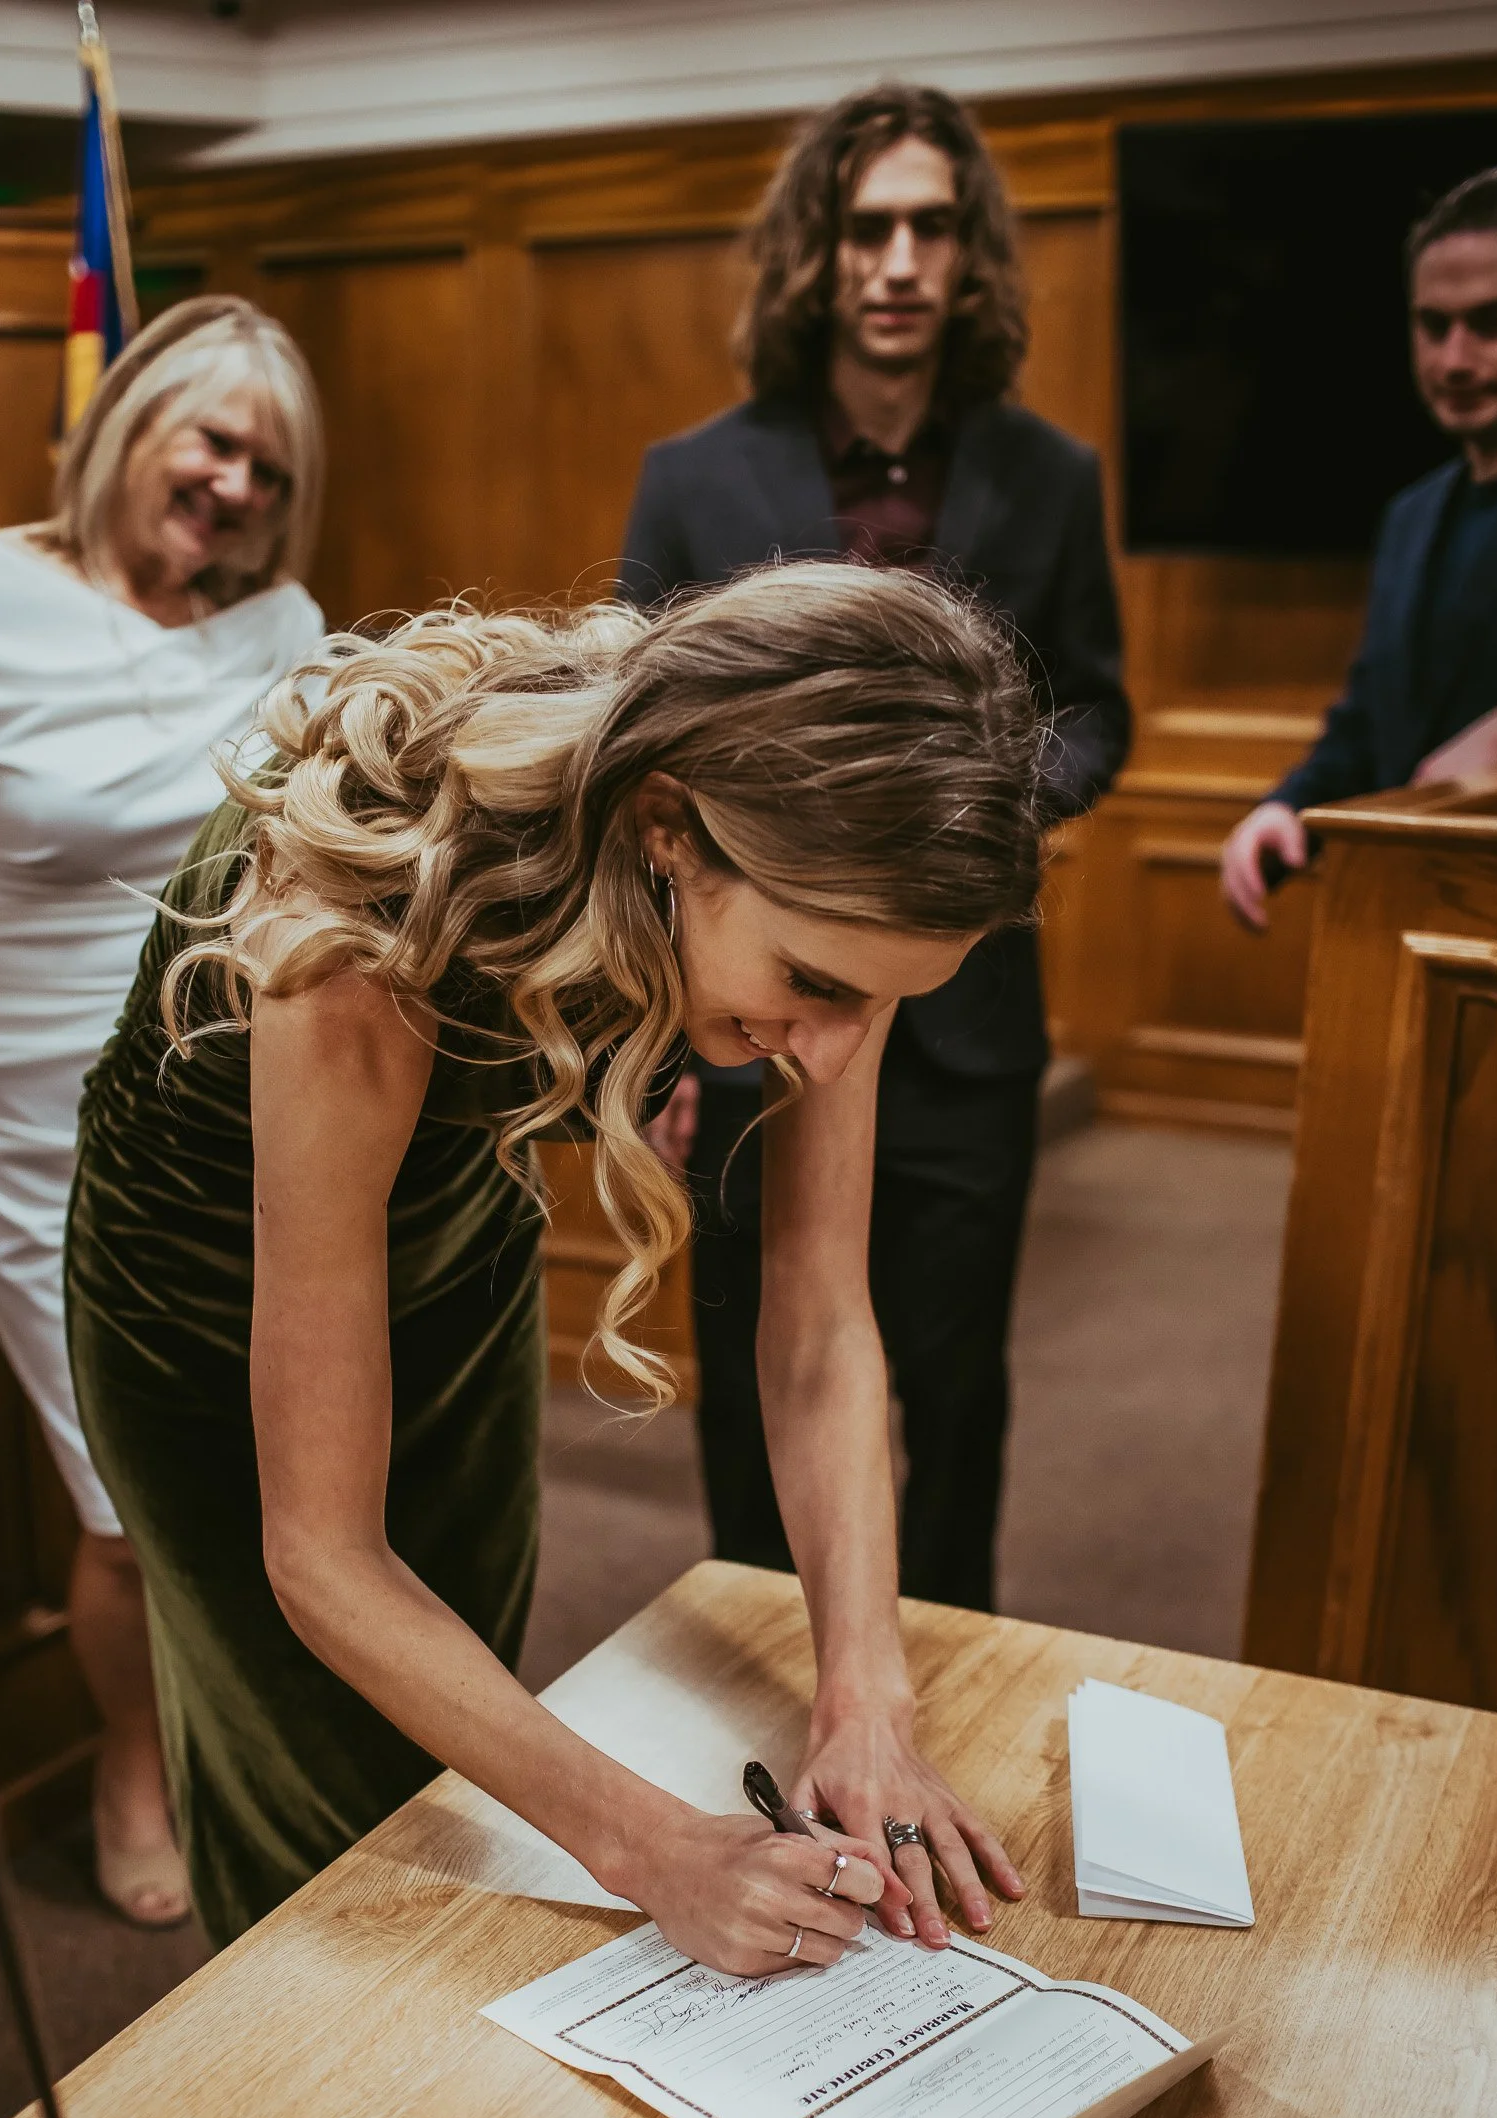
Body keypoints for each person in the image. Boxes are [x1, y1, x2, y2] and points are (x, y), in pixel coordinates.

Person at [65, 561, 1043, 1969]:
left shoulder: (830, 888)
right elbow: (321, 1556)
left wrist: (865, 1702)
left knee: (456, 1737)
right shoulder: (361, 924)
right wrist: (658, 1849)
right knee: (322, 1824)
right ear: (665, 830)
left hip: (459, 1239)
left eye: (879, 1003)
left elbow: (820, 1328)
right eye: (816, 987)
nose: (833, 1051)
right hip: (201, 1301)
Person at [620, 85, 1129, 1611]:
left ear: (971, 257)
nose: (898, 259)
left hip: (963, 1029)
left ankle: (938, 1656)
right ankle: (759, 1639)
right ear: (816, 255)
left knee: (951, 1384)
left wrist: (963, 822)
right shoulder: (694, 475)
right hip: (732, 1024)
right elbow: (636, 757)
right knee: (749, 1374)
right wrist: (651, 1058)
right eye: (866, 228)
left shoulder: (1050, 475)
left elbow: (1094, 707)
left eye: (931, 226)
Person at [0, 296, 324, 1926]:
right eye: (212, 439)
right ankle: (135, 1758)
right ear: (131, 424)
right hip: (32, 1108)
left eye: (268, 467)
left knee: (272, 1458)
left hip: (237, 1103)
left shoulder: (282, 631)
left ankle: (261, 1744)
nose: (234, 486)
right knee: (123, 1492)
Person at [1222, 165, 1497, 928]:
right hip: (1412, 925)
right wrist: (1289, 807)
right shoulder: (1410, 516)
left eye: (1491, 322)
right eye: (1432, 324)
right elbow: (1369, 726)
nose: (1454, 359)